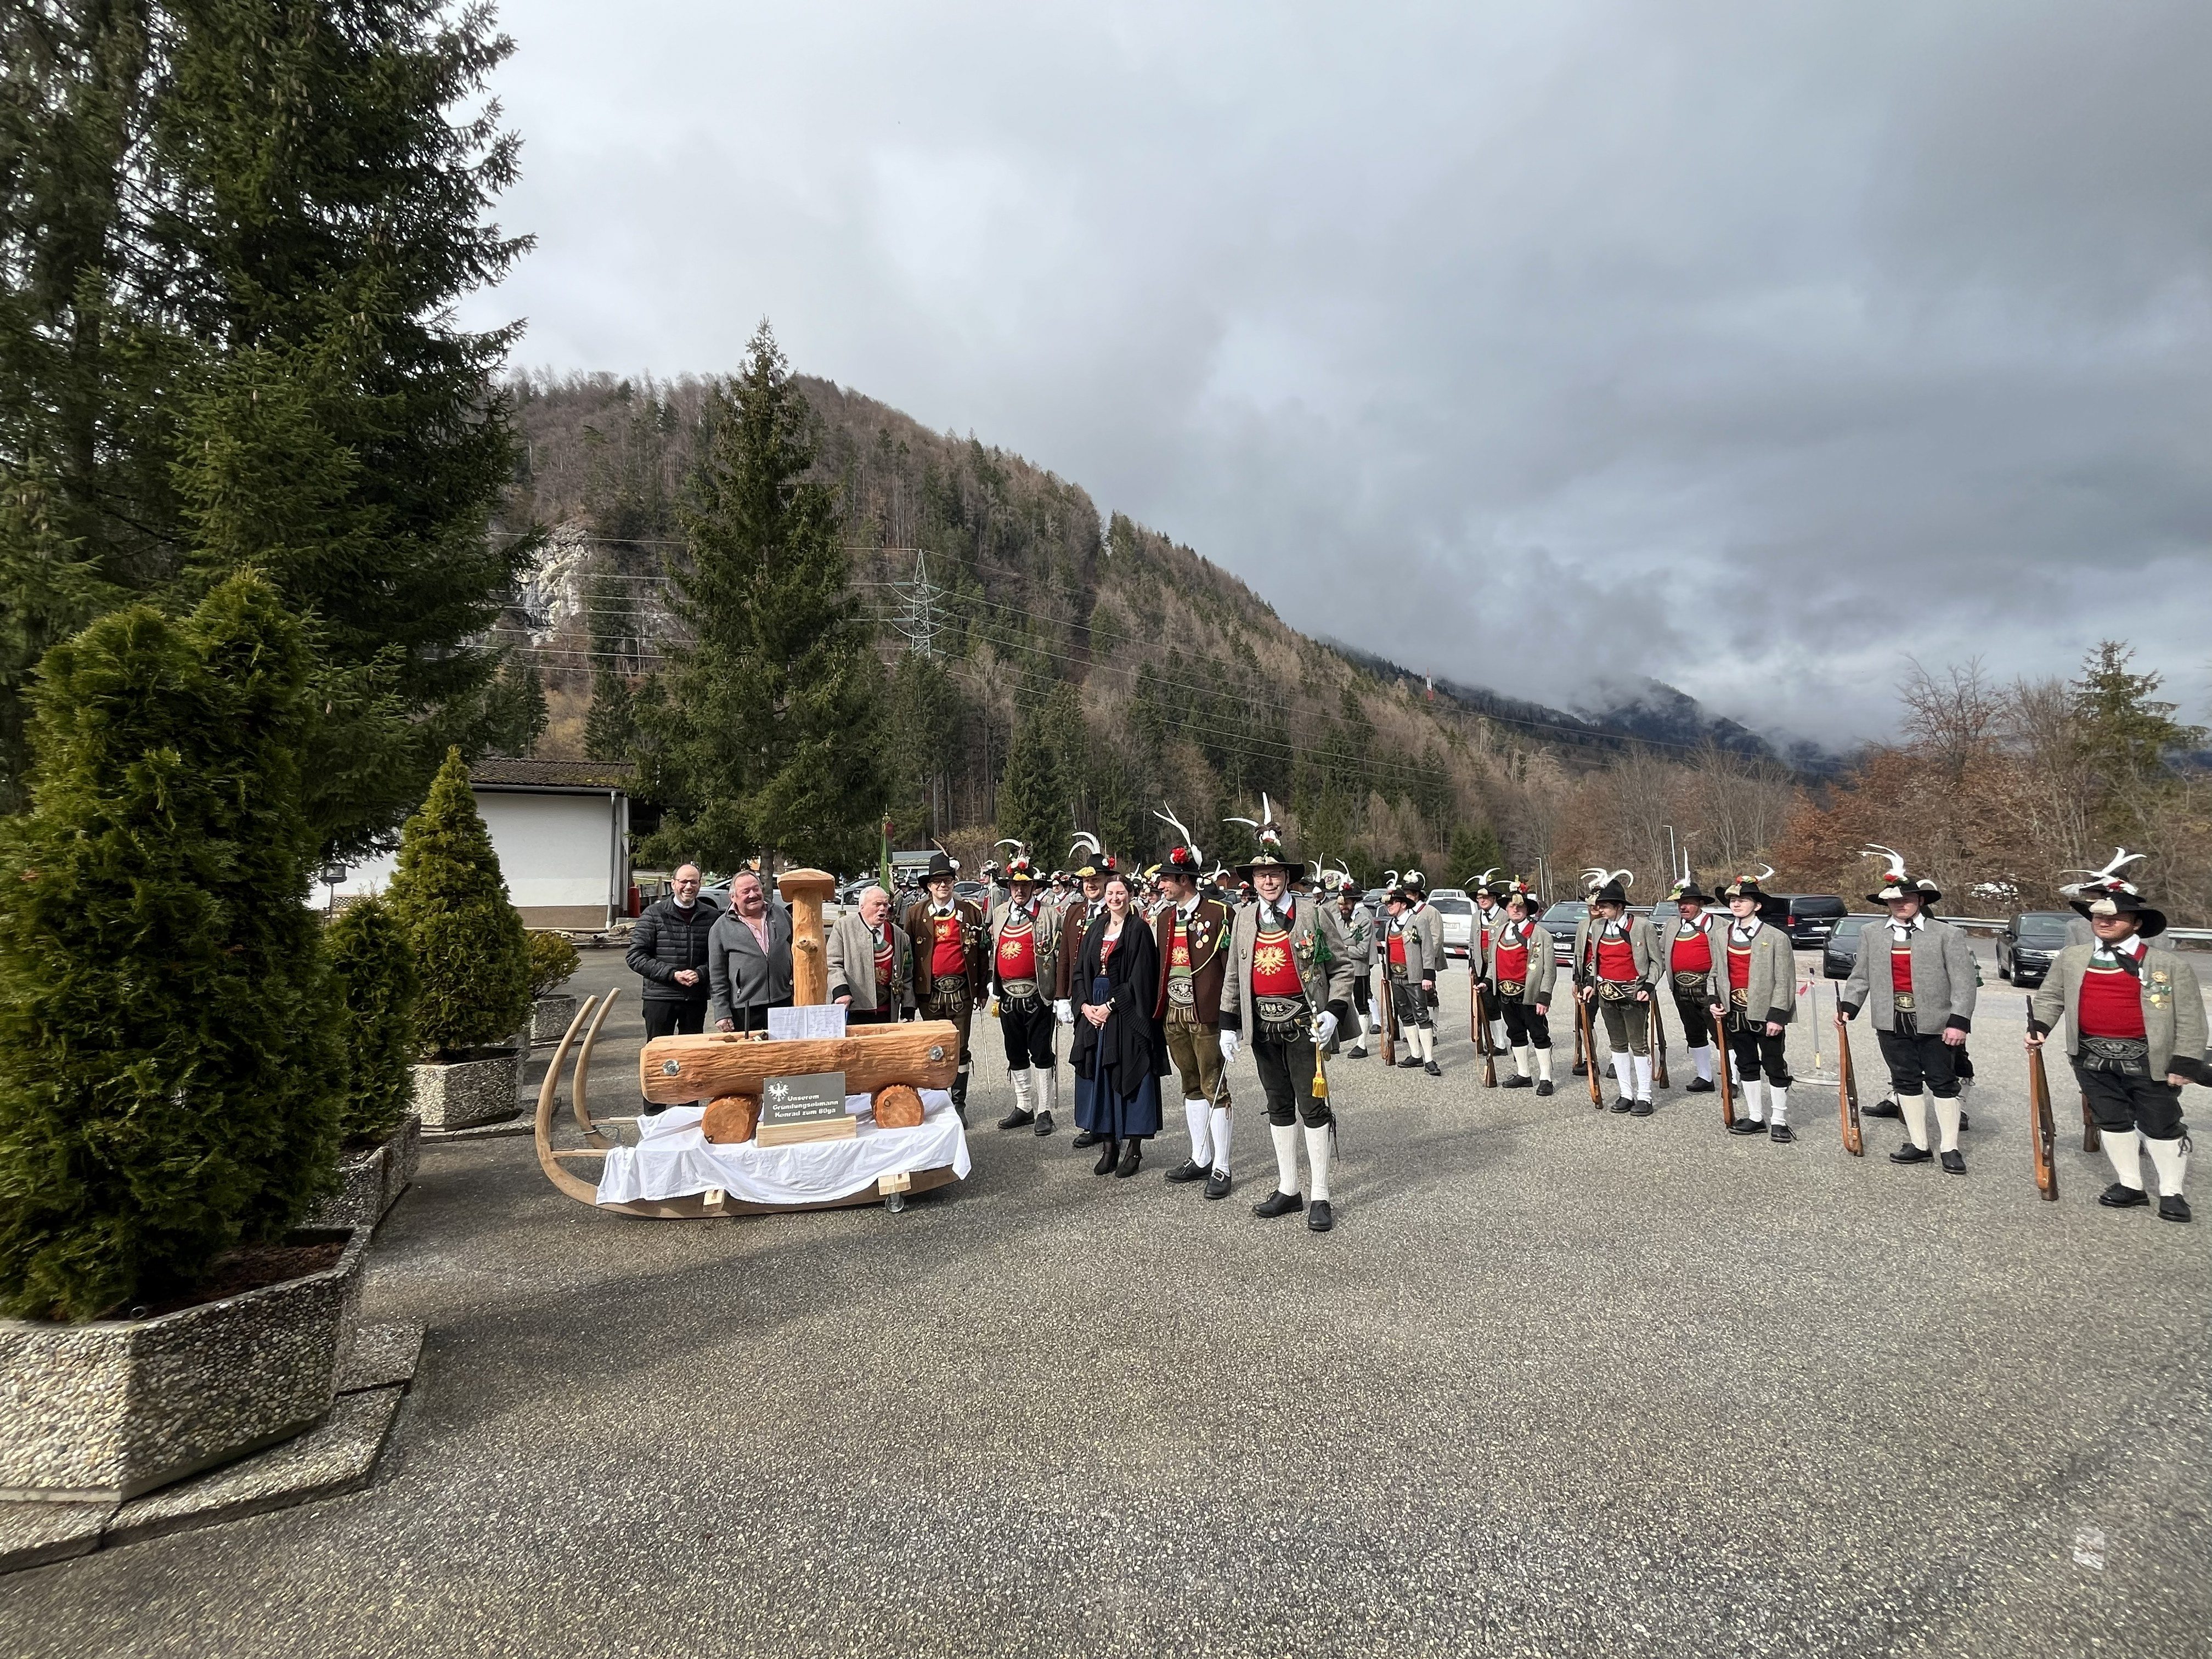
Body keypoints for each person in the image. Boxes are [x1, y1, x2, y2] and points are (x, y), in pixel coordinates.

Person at [2029, 853, 2208, 1223]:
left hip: (2150, 1058)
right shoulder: (2072, 958)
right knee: (2111, 1121)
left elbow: (2191, 1017)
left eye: (2115, 916)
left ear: (2136, 922)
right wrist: (2040, 1027)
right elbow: (2051, 997)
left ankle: (2171, 1192)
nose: (2105, 921)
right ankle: (2131, 1185)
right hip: (2090, 1056)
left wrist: (2186, 1061)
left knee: (2162, 1126)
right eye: (2098, 916)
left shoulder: (2169, 965)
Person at [1216, 802, 1355, 1233]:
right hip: (1262, 1028)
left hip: (1305, 1025)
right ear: (1253, 880)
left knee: (1311, 1106)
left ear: (1287, 877)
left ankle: (1321, 1195)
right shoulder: (1243, 918)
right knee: (1277, 1105)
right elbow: (1234, 975)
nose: (1268, 881)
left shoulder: (1313, 913)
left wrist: (1334, 1011)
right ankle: (1289, 1188)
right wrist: (1227, 1024)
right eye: (1261, 875)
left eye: (1275, 874)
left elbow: (1343, 967)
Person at [1839, 848, 1978, 1173]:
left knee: (1943, 1083)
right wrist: (1849, 1006)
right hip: (1891, 1020)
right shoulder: (1872, 933)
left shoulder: (1947, 934)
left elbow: (1964, 982)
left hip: (1936, 1022)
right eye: (1894, 901)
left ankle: (1950, 1148)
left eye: (1907, 899)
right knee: (1905, 1081)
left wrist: (1959, 1021)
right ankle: (1919, 1145)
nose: (1900, 904)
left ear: (1920, 900)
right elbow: (1861, 975)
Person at [1151, 811, 1237, 1197]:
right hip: (1174, 1012)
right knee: (1190, 1085)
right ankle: (1200, 1156)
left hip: (1206, 1014)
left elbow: (1231, 970)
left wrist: (1231, 1019)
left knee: (1214, 1085)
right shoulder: (1164, 919)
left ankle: (1222, 1166)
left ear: (1184, 880)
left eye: (1166, 879)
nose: (1161, 886)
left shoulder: (1220, 913)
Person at [1070, 871, 1167, 1178]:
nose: (1115, 898)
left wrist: (1111, 1006)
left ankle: (1134, 1149)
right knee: (1098, 1075)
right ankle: (1108, 1145)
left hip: (1125, 1013)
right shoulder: (1095, 928)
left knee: (1128, 1072)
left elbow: (1142, 977)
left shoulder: (1139, 929)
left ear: (1130, 895)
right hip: (1094, 1010)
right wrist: (1085, 1006)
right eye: (1110, 893)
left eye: (1120, 893)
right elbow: (1080, 971)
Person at [1705, 868, 1796, 1142]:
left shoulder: (1776, 937)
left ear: (1756, 906)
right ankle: (1756, 1116)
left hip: (1766, 1013)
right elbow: (1716, 972)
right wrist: (1714, 1000)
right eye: (1733, 900)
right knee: (1746, 1064)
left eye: (1742, 900)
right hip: (1734, 1012)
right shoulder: (1721, 935)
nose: (1736, 904)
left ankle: (1779, 1120)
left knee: (1774, 1065)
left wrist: (1778, 1016)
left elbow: (1785, 980)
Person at [625, 864, 723, 1114]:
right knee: (658, 1057)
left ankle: (688, 1113)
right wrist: (672, 974)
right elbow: (636, 956)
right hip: (660, 998)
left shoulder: (712, 916)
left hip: (694, 998)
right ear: (673, 883)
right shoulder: (654, 914)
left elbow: (719, 957)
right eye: (683, 882)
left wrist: (700, 974)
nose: (688, 887)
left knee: (691, 1058)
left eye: (694, 882)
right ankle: (654, 1114)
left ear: (700, 884)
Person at [903, 851, 988, 1121]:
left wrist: (982, 989)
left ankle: (959, 1104)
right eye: (937, 881)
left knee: (960, 1048)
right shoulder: (915, 914)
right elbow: (907, 957)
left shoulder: (970, 912)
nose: (943, 885)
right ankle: (939, 1102)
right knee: (934, 1047)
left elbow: (983, 953)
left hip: (962, 990)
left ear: (953, 883)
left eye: (948, 880)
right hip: (929, 993)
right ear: (929, 886)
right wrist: (908, 997)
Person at [988, 844, 1060, 1137]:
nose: (1020, 890)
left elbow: (1060, 954)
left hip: (1038, 995)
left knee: (1041, 1052)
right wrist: (993, 981)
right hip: (1008, 996)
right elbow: (995, 950)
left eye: (1025, 885)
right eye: (1015, 886)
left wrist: (1061, 995)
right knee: (1014, 1051)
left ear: (1033, 886)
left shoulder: (1050, 914)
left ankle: (1044, 1110)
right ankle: (1024, 1106)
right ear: (1009, 887)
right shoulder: (1000, 913)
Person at [1573, 868, 1657, 1114]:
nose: (1599, 910)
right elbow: (1595, 961)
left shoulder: (1642, 926)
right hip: (1606, 994)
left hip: (1635, 994)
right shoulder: (1598, 927)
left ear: (1619, 906)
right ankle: (1626, 1094)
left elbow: (1656, 962)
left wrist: (1649, 986)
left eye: (1605, 906)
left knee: (1639, 1045)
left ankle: (1645, 1096)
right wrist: (1590, 984)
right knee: (1617, 1045)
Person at [1058, 833, 1118, 1149]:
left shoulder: (1119, 912)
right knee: (1085, 1059)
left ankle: (1111, 1121)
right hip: (1082, 999)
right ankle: (1090, 1121)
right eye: (1086, 880)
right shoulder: (1074, 912)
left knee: (1109, 1060)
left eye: (1096, 879)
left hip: (1109, 998)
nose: (1090, 885)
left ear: (1108, 881)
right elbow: (1065, 957)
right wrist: (1062, 996)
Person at [1652, 877, 1720, 1094]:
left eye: (1688, 903)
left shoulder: (1718, 924)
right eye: (1680, 903)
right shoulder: (1672, 925)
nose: (1683, 907)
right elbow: (1661, 955)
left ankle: (1732, 1080)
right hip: (1681, 989)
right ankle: (1705, 1077)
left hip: (1710, 988)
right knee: (1694, 1033)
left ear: (1700, 903)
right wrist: (1648, 981)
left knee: (1721, 1035)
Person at [707, 869, 794, 1035]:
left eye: (756, 889)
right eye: (746, 891)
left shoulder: (781, 915)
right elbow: (717, 975)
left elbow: (797, 952)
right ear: (733, 897)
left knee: (784, 1050)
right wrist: (722, 1012)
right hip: (745, 1008)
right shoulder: (721, 927)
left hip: (782, 1002)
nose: (753, 895)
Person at [1491, 883, 1558, 1093]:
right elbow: (1493, 962)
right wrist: (1487, 982)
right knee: (1515, 1034)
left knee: (1539, 1035)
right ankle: (1524, 1074)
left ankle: (1546, 1078)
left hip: (1530, 995)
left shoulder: (1541, 934)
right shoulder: (1500, 932)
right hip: (1505, 994)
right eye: (1512, 906)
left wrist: (1544, 996)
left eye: (1520, 907)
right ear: (1507, 909)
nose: (1516, 910)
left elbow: (1549, 969)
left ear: (1527, 910)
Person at [826, 884, 912, 1025]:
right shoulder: (843, 927)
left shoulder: (899, 935)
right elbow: (832, 964)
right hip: (852, 1008)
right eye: (877, 904)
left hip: (887, 1011)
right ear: (862, 907)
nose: (883, 909)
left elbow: (907, 973)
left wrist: (908, 1006)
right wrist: (841, 990)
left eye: (886, 905)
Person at [1382, 886, 1441, 1076]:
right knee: (1405, 1016)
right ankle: (1415, 1055)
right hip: (1395, 977)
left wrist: (1428, 975)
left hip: (1414, 977)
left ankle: (1429, 1059)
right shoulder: (1389, 925)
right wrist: (1387, 974)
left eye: (1393, 903)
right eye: (1388, 903)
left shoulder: (1418, 921)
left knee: (1421, 1016)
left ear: (1404, 905)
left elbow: (1428, 950)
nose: (1389, 906)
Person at [1319, 867, 1375, 1059]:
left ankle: (1362, 1044)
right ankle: (1334, 1040)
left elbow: (1362, 950)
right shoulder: (1336, 919)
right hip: (1338, 970)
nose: (1343, 907)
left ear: (1354, 902)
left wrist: (1342, 949)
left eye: (1347, 903)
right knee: (1336, 1002)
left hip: (1358, 970)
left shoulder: (1364, 921)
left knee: (1361, 1006)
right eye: (1341, 903)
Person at [1468, 869, 1513, 1058]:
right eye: (1479, 897)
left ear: (1494, 898)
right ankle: (1497, 1042)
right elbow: (1472, 943)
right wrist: (1472, 964)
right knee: (1489, 1005)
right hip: (1482, 968)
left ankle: (1514, 1041)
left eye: (1486, 897)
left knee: (1506, 1005)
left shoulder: (1505, 916)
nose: (1482, 900)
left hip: (1501, 967)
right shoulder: (1476, 916)